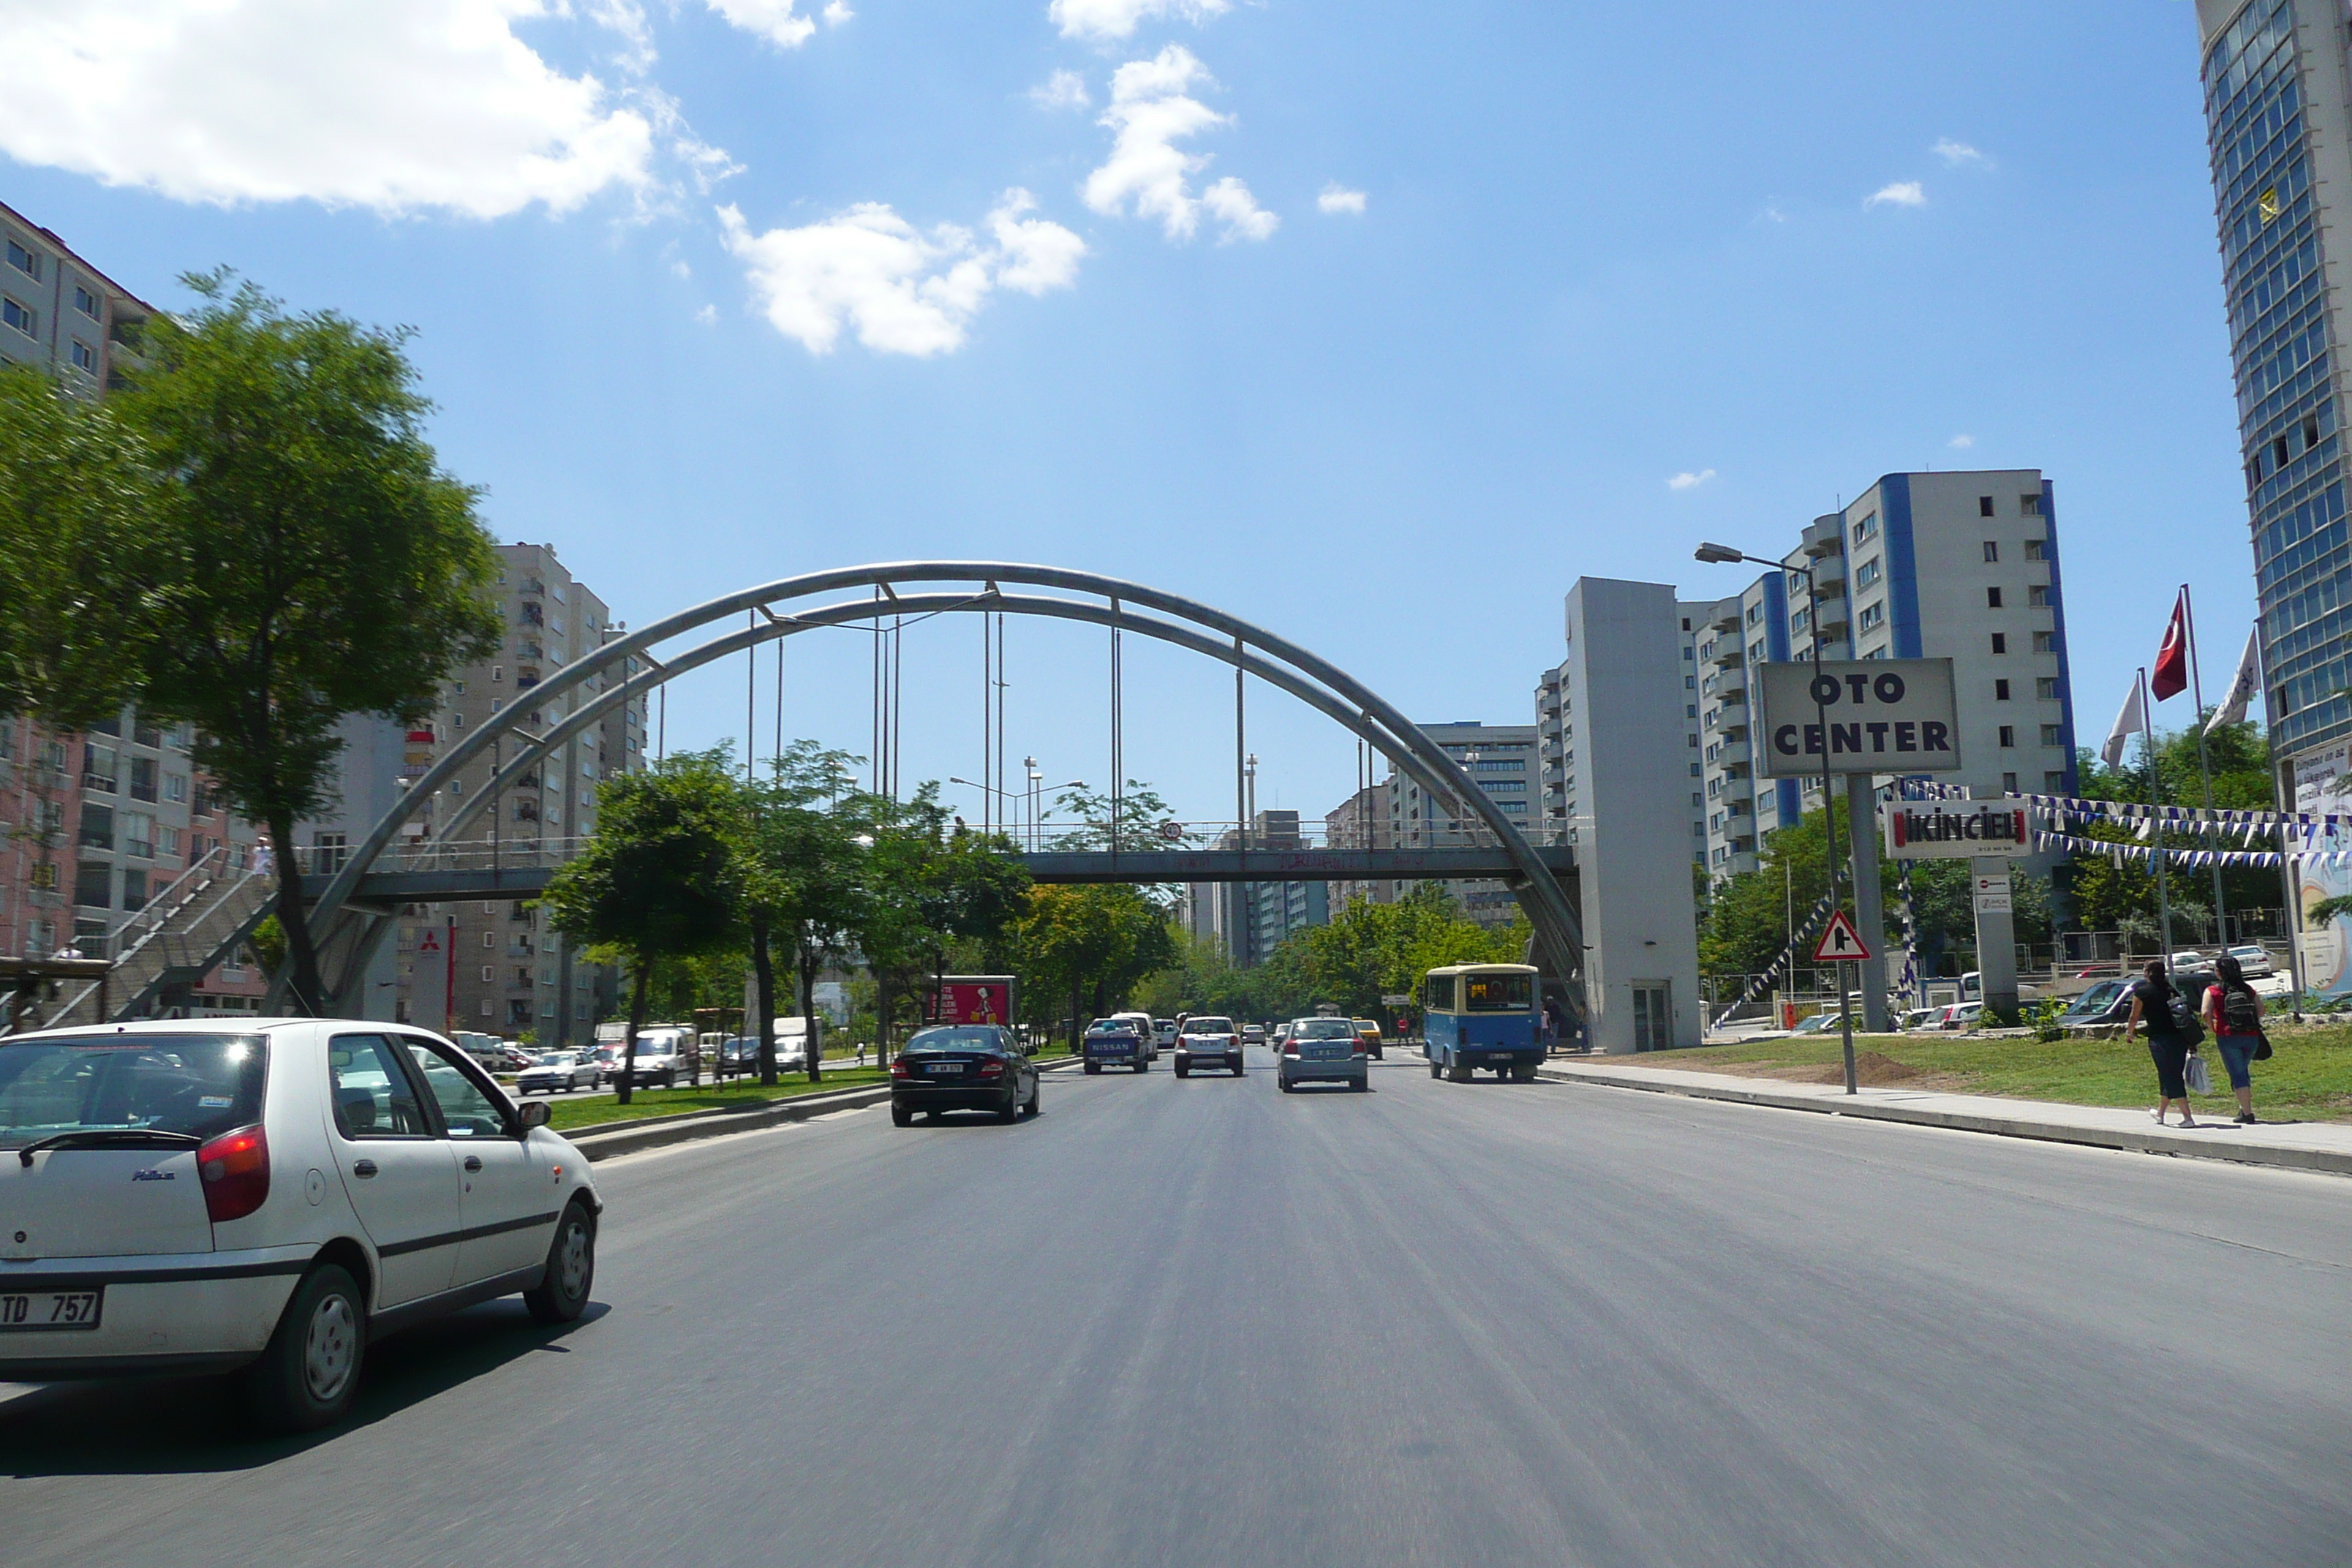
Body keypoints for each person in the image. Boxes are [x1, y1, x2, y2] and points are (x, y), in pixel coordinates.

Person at [2127, 959, 2200, 1128]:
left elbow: (2134, 1017)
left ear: (2147, 973)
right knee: (2168, 1075)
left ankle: (2188, 1118)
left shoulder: (2142, 992)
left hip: (2160, 1039)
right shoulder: (2171, 990)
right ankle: (2160, 1114)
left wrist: (2130, 1033)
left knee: (2171, 1077)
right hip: (2179, 1038)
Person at [2201, 954, 2264, 1125]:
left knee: (2238, 1074)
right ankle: (2243, 1108)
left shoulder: (2213, 991)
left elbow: (2205, 1013)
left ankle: (2248, 1113)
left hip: (2228, 1036)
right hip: (2251, 1036)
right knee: (2242, 1070)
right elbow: (2261, 1010)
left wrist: (2212, 1028)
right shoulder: (2248, 989)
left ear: (2219, 972)